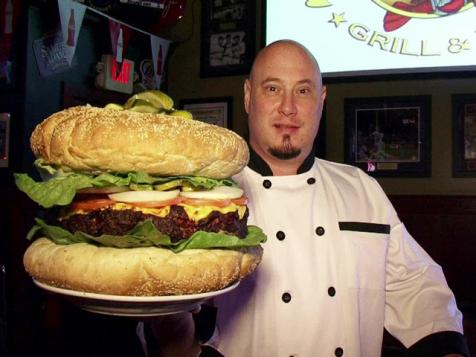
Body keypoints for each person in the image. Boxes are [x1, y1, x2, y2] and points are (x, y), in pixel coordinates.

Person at [140, 40, 469, 357]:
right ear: (248, 95)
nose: (288, 107)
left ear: (322, 99)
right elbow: (167, 312)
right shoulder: (204, 194)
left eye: (303, 90)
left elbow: (415, 285)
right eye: (272, 88)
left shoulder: (361, 188)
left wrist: (448, 351)